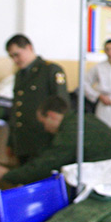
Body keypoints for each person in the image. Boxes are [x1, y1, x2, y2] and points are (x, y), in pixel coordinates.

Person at [0, 96, 111, 186]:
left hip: (108, 177)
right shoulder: (82, 119)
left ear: (51, 115)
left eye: (43, 122)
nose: (45, 128)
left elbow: (47, 164)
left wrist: (8, 175)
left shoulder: (71, 131)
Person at [5, 34, 70, 164]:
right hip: (23, 141)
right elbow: (16, 108)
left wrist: (60, 140)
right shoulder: (20, 75)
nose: (15, 60)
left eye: (17, 55)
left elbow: (62, 106)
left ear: (29, 48)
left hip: (44, 140)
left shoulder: (50, 70)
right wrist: (11, 141)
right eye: (11, 57)